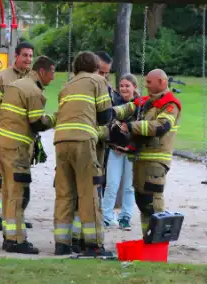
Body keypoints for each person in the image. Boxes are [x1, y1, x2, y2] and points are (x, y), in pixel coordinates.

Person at [53, 51, 113, 256]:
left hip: (60, 141)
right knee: (89, 193)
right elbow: (105, 116)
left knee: (64, 193)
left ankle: (62, 244)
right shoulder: (98, 80)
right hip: (83, 140)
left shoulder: (66, 86)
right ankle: (94, 244)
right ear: (96, 67)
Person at [0, 56, 56, 254]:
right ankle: (16, 240)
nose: (54, 78)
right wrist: (56, 119)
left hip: (2, 146)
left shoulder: (17, 84)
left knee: (7, 193)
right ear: (43, 71)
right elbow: (37, 122)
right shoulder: (33, 91)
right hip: (17, 150)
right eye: (53, 73)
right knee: (18, 195)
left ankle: (8, 235)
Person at [112, 69, 182, 236]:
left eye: (149, 82)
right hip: (141, 160)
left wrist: (130, 126)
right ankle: (148, 240)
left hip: (156, 161)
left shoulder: (170, 104)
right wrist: (111, 112)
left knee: (153, 204)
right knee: (143, 202)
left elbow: (160, 127)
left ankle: (157, 243)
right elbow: (127, 108)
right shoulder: (145, 101)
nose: (146, 85)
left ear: (162, 82)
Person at [0, 42, 34, 232]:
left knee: (21, 177)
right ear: (16, 56)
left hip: (27, 138)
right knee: (1, 176)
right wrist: (9, 118)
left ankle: (16, 215)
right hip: (7, 136)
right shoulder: (2, 77)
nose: (28, 59)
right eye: (25, 56)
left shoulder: (32, 78)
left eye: (30, 56)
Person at [71, 50, 114, 252]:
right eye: (101, 72)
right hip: (88, 145)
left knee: (88, 193)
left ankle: (77, 238)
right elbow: (103, 118)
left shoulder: (104, 87)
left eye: (107, 73)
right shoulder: (92, 86)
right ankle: (90, 242)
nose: (104, 77)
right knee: (89, 194)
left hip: (97, 148)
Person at [102, 74, 138, 231]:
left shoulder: (139, 105)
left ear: (134, 88)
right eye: (121, 86)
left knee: (129, 186)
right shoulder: (114, 103)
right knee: (112, 184)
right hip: (116, 149)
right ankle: (107, 216)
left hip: (131, 151)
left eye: (127, 86)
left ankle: (125, 217)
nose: (124, 88)